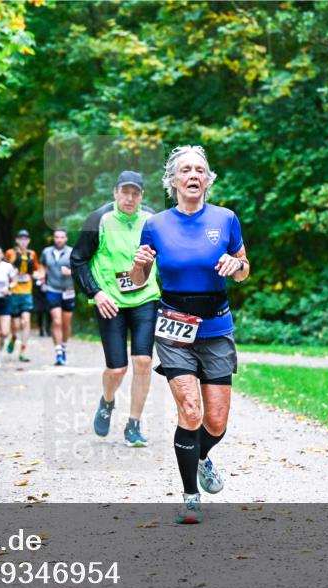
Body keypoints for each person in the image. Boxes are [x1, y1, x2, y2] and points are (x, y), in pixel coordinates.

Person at [129, 146, 250, 524]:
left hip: (216, 327)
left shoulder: (226, 219)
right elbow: (137, 282)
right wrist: (138, 266)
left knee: (215, 423)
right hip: (174, 327)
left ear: (207, 179)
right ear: (174, 180)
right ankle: (189, 496)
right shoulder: (156, 225)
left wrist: (236, 265)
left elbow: (245, 268)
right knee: (191, 410)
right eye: (186, 170)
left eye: (200, 169)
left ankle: (200, 457)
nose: (193, 175)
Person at [70, 171, 160, 446]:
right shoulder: (99, 219)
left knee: (143, 361)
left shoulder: (152, 220)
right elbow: (78, 260)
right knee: (117, 368)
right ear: (115, 192)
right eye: (125, 192)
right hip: (110, 302)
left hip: (145, 297)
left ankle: (134, 424)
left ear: (142, 196)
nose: (129, 198)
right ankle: (107, 402)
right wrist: (96, 293)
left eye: (135, 193)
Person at [4, 230, 42, 363]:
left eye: (26, 239)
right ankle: (13, 337)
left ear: (29, 241)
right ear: (17, 240)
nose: (23, 241)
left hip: (27, 292)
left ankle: (23, 351)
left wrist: (38, 275)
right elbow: (3, 269)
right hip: (14, 292)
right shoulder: (11, 253)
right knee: (15, 325)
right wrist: (11, 273)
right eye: (21, 239)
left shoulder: (32, 254)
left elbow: (38, 269)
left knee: (25, 322)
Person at [40, 228, 75, 365]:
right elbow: (42, 266)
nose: (59, 239)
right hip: (52, 289)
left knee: (66, 323)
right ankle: (58, 352)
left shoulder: (72, 252)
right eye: (56, 237)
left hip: (68, 290)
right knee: (57, 321)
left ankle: (64, 346)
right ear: (53, 238)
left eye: (62, 237)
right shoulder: (46, 252)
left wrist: (70, 272)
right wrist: (42, 275)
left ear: (66, 239)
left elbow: (80, 270)